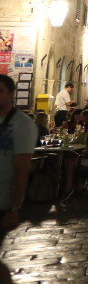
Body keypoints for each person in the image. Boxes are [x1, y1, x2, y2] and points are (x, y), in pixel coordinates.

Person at [0, 75, 33, 244]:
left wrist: (14, 207)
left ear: (11, 94)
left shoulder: (22, 123)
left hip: (3, 200)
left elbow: (22, 169)